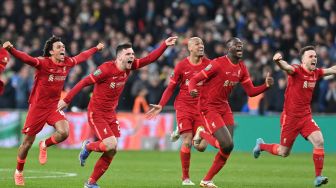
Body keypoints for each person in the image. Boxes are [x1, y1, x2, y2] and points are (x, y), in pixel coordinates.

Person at [57, 36, 178, 188]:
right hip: (96, 112)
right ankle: (88, 147)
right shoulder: (106, 69)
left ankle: (91, 182)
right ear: (120, 56)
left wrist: (164, 45)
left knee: (112, 150)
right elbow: (83, 82)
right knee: (110, 144)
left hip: (110, 113)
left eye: (133, 54)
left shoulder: (129, 67)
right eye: (128, 54)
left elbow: (149, 59)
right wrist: (67, 99)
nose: (132, 57)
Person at [3, 36, 104, 186]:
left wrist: (96, 48)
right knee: (27, 144)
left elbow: (81, 57)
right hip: (37, 107)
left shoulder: (67, 63)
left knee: (64, 132)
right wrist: (11, 49)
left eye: (63, 46)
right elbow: (27, 59)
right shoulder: (43, 63)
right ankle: (18, 171)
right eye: (58, 47)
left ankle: (44, 144)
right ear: (51, 52)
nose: (62, 48)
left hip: (53, 106)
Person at [188, 37, 274, 188]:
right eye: (236, 45)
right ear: (229, 48)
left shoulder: (242, 68)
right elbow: (195, 79)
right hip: (208, 106)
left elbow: (251, 91)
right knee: (226, 143)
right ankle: (201, 133)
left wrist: (265, 86)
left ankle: (206, 180)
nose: (240, 47)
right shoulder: (217, 63)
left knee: (228, 147)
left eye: (241, 45)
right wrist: (192, 90)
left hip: (224, 106)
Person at [253, 46, 334, 187]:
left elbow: (332, 70)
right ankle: (261, 145)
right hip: (290, 118)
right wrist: (278, 61)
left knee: (319, 141)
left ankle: (318, 177)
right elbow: (286, 67)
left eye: (315, 56)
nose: (314, 58)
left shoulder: (316, 73)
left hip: (306, 116)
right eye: (310, 56)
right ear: (303, 60)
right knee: (284, 152)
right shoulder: (296, 70)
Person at [146, 37, 214, 185]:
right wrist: (161, 105)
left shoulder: (209, 65)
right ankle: (185, 178)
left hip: (202, 108)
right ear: (190, 48)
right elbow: (170, 88)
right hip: (184, 107)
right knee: (188, 141)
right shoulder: (181, 66)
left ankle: (185, 131)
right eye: (197, 44)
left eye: (202, 43)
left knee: (201, 147)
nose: (200, 46)